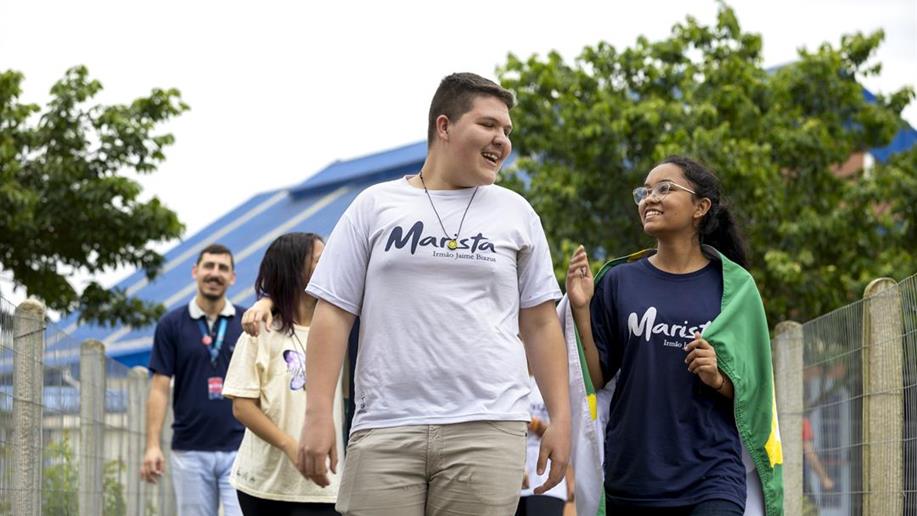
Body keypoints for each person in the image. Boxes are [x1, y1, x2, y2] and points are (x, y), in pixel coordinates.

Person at [243, 72, 571, 516]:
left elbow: (540, 322)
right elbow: (333, 314)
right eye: (489, 125)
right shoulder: (374, 204)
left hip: (488, 426)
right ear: (444, 126)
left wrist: (561, 418)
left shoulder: (517, 212)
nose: (502, 140)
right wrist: (319, 413)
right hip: (385, 425)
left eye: (507, 131)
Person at [564, 156, 783, 515]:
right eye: (644, 191)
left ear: (701, 207)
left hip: (713, 475)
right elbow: (598, 375)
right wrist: (582, 309)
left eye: (664, 189)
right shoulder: (619, 280)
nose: (649, 198)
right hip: (633, 475)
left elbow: (755, 391)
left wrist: (718, 378)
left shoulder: (735, 287)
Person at [223, 232, 343, 515]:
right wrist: (291, 447)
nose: (330, 264)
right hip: (263, 484)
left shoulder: (341, 329)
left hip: (325, 484)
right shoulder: (260, 329)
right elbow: (241, 406)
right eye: (318, 259)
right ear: (292, 268)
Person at [140, 243, 246, 516]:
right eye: (209, 266)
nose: (215, 273)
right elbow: (160, 388)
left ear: (233, 277)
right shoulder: (171, 324)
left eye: (223, 268)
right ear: (195, 271)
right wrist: (152, 445)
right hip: (190, 449)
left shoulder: (247, 323)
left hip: (241, 448)